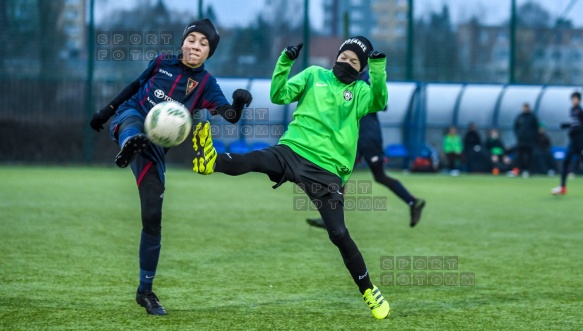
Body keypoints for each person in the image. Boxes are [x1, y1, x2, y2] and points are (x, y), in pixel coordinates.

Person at [192, 37, 391, 319]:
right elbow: (279, 95)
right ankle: (211, 161)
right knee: (256, 159)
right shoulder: (313, 75)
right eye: (343, 57)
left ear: (361, 69)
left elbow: (379, 101)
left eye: (354, 62)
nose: (346, 63)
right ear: (336, 57)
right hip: (293, 150)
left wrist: (378, 68)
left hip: (327, 170)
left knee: (338, 233)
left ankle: (370, 291)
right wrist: (285, 61)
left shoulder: (359, 91)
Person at [89, 19, 253, 315]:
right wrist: (105, 111)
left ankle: (145, 292)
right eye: (192, 39)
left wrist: (238, 106)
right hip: (132, 116)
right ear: (182, 42)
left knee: (153, 217)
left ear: (209, 53)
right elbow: (133, 87)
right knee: (133, 124)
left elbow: (225, 112)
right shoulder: (161, 62)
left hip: (153, 147)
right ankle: (129, 143)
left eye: (204, 44)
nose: (196, 46)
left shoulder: (206, 84)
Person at [306, 71, 426, 230]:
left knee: (373, 176)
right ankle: (331, 219)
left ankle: (413, 201)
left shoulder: (364, 79)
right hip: (355, 136)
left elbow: (382, 104)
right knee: (342, 177)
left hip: (368, 137)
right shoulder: (345, 79)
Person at [552, 91, 583, 195]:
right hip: (573, 141)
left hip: (580, 141)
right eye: (573, 98)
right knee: (565, 162)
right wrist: (566, 125)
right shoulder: (572, 110)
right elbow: (573, 124)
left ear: (579, 100)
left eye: (576, 98)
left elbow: (579, 126)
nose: (574, 100)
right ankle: (562, 187)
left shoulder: (580, 111)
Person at [512, 103, 539, 178]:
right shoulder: (519, 117)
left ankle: (530, 171)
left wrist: (533, 138)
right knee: (519, 157)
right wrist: (518, 136)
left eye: (526, 107)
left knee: (530, 157)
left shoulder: (532, 117)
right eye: (524, 107)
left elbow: (536, 128)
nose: (525, 109)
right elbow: (515, 127)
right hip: (521, 141)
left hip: (530, 142)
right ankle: (519, 171)